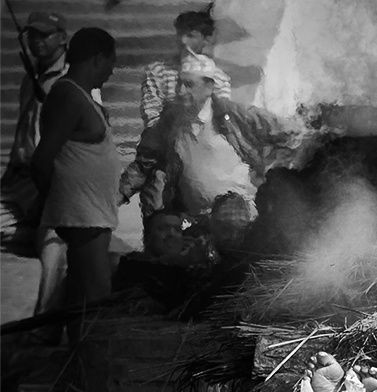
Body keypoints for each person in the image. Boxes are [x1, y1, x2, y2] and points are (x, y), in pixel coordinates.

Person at [119, 53, 304, 256]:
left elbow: (292, 133)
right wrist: (116, 196)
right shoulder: (170, 122)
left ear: (209, 87)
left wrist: (269, 170)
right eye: (180, 83)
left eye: (189, 84)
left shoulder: (236, 115)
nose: (181, 91)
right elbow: (144, 164)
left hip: (241, 217)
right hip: (193, 222)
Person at [31, 27, 123, 339]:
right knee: (98, 299)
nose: (112, 70)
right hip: (82, 216)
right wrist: (55, 199)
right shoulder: (68, 94)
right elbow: (42, 158)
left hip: (90, 214)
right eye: (111, 62)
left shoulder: (81, 95)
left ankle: (75, 372)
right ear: (98, 58)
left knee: (83, 299)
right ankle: (91, 372)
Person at [1, 12, 70, 343]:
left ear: (62, 38)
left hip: (50, 179)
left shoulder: (67, 81)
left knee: (55, 246)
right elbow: (22, 134)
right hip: (19, 180)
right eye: (33, 35)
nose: (37, 41)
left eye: (45, 35)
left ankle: (46, 328)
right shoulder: (32, 78)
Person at [135, 7, 231, 219]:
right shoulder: (158, 72)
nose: (182, 40)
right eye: (180, 33)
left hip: (203, 158)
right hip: (163, 154)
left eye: (190, 35)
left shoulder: (218, 78)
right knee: (158, 212)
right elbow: (151, 114)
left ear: (206, 39)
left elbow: (222, 119)